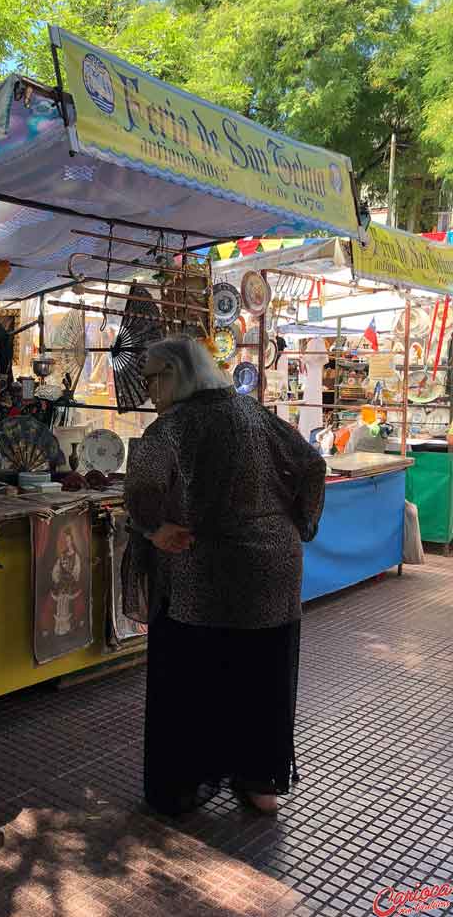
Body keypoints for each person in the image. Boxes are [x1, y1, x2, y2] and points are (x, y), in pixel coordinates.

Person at [123, 338, 326, 818]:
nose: (149, 389)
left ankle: (184, 786)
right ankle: (261, 783)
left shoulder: (171, 428)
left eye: (152, 378)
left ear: (175, 373)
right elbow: (312, 466)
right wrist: (297, 525)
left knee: (191, 680)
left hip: (202, 573)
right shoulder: (253, 413)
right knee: (262, 677)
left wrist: (154, 529)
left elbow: (141, 488)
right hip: (273, 570)